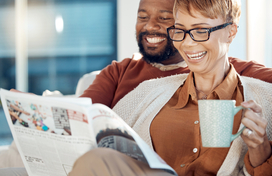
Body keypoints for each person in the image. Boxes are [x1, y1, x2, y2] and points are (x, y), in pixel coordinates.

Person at [69, 0, 272, 175]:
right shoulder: (148, 92)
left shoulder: (264, 99)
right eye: (181, 31)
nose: (188, 43)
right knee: (96, 159)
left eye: (200, 30)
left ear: (231, 32)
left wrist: (260, 152)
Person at [80, 0, 272, 109]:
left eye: (164, 18)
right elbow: (75, 119)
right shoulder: (118, 72)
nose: (149, 26)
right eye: (142, 17)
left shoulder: (224, 70)